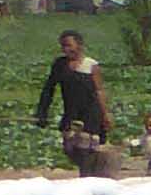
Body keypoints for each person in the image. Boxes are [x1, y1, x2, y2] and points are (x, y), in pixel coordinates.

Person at [36, 28, 120, 174]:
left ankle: (88, 178)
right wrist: (42, 111)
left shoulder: (91, 65)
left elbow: (99, 91)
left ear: (79, 45)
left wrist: (106, 113)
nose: (65, 49)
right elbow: (49, 88)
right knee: (70, 148)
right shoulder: (60, 65)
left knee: (88, 150)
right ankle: (86, 174)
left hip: (91, 113)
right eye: (63, 46)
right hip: (71, 112)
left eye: (69, 45)